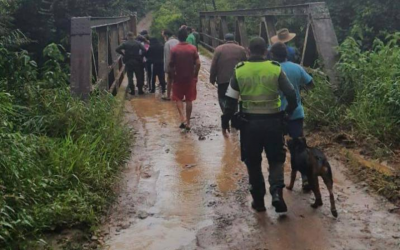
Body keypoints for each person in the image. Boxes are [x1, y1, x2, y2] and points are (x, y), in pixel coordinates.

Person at [221, 37, 297, 213]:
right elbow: (291, 94)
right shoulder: (274, 68)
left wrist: (226, 120)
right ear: (266, 51)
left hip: (249, 125)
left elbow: (230, 100)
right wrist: (287, 114)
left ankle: (259, 201)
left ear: (248, 50)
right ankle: (277, 193)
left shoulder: (240, 70)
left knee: (253, 161)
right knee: (276, 158)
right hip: (273, 122)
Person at [270, 42, 314, 191]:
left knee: (277, 147)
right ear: (286, 54)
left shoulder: (271, 69)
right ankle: (305, 178)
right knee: (300, 147)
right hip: (295, 112)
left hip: (276, 115)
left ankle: (278, 181)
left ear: (273, 55)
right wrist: (301, 94)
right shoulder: (297, 68)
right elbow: (310, 83)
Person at [169, 27, 201, 131]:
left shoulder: (174, 49)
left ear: (178, 37)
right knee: (189, 99)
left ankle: (182, 118)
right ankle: (188, 122)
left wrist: (173, 76)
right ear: (187, 36)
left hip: (178, 78)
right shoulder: (192, 48)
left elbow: (171, 65)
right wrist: (195, 74)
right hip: (190, 78)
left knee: (178, 98)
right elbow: (198, 63)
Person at [210, 33, 247, 111]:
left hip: (222, 80)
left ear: (224, 40)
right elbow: (245, 64)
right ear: (234, 40)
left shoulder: (219, 49)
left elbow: (214, 65)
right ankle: (234, 115)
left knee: (222, 98)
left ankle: (226, 112)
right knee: (234, 99)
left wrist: (212, 78)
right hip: (236, 80)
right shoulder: (241, 49)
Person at [162, 29, 179, 100]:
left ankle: (169, 96)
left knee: (169, 80)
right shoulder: (178, 41)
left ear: (166, 35)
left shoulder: (167, 43)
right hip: (179, 65)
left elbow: (167, 57)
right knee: (177, 81)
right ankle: (178, 95)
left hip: (171, 65)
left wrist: (166, 68)